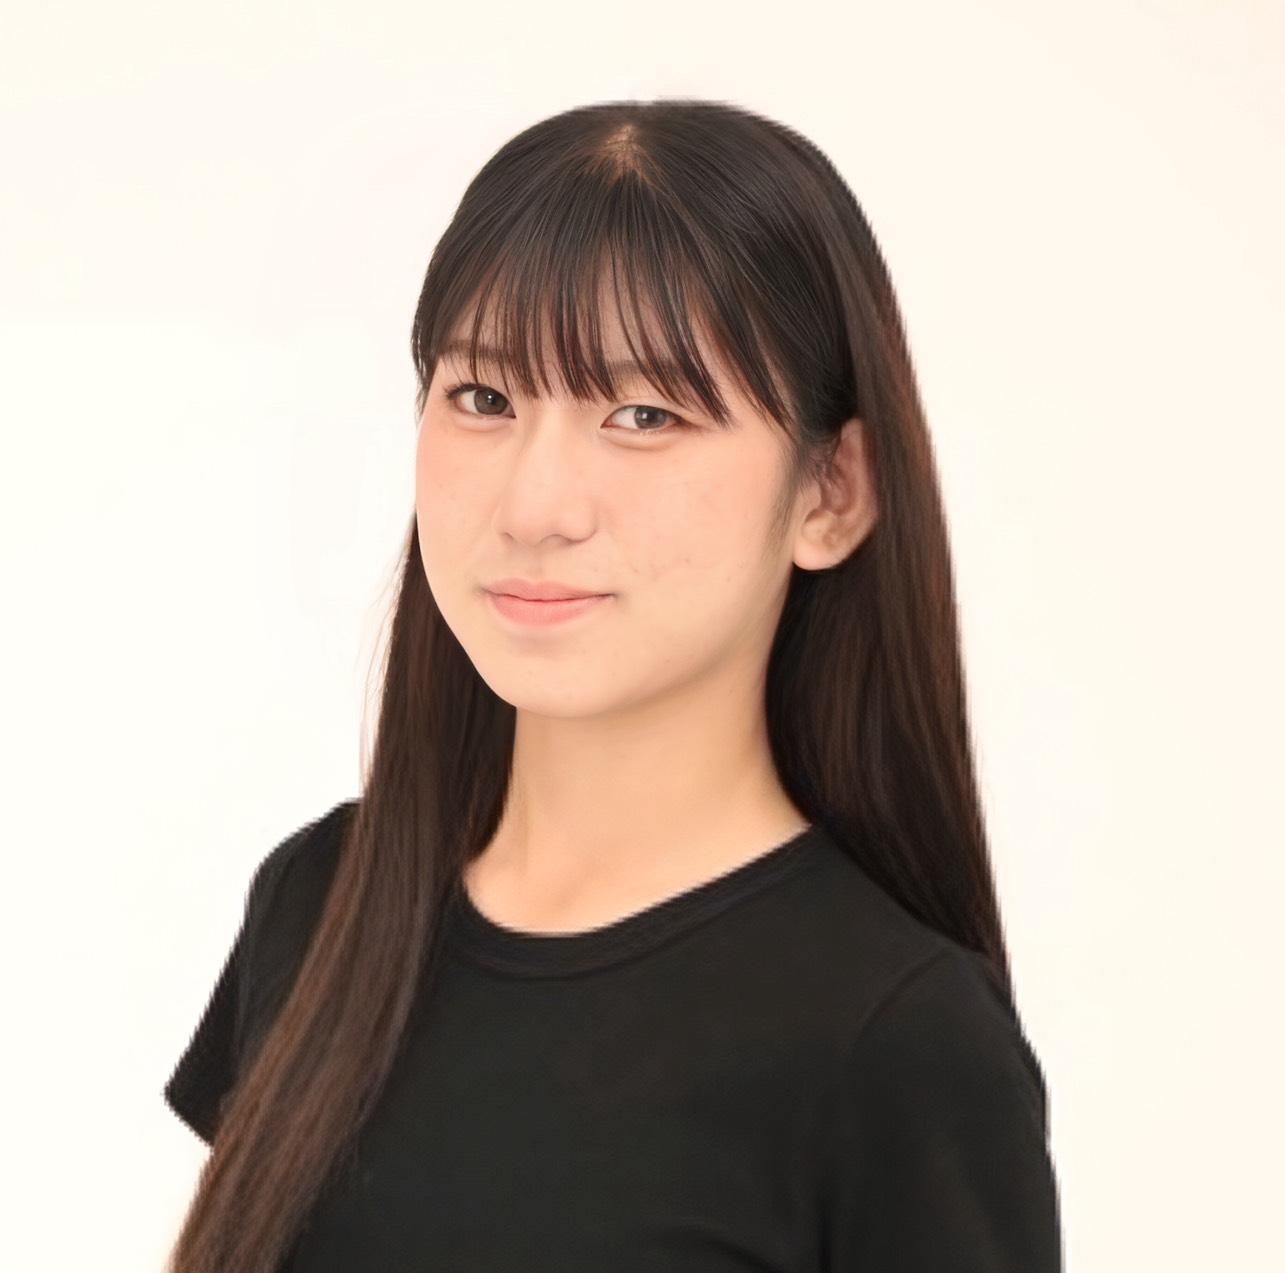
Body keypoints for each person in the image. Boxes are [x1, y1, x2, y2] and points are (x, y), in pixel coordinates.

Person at [163, 97, 1064, 1272]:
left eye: (643, 414)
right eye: (484, 399)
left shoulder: (898, 1040)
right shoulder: (318, 903)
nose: (535, 506)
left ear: (830, 491)